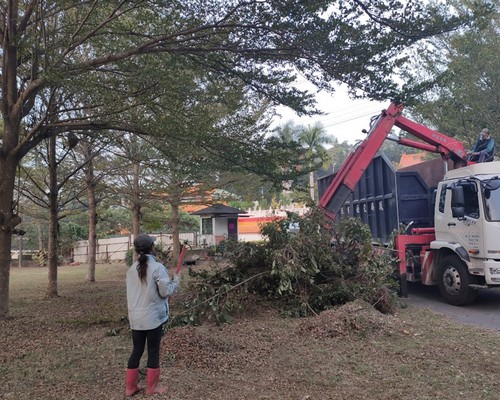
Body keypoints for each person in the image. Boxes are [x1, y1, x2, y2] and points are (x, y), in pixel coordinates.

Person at [125, 234, 180, 397]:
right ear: (151, 248)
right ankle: (152, 387)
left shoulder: (131, 270)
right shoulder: (157, 267)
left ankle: (130, 388)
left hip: (136, 319)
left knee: (137, 350)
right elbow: (165, 292)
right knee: (153, 350)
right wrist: (176, 282)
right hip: (153, 318)